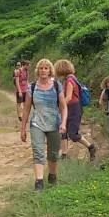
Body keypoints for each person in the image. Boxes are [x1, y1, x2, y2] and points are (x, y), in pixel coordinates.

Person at [19, 59, 66, 190]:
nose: (43, 70)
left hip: (54, 123)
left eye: (46, 68)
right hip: (37, 124)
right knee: (38, 151)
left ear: (50, 70)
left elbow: (63, 107)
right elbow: (27, 109)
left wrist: (63, 122)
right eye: (41, 68)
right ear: (37, 71)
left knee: (53, 153)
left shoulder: (57, 86)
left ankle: (52, 175)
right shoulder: (32, 87)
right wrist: (22, 129)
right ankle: (39, 182)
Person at [53, 59, 96, 161]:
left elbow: (68, 97)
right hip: (70, 108)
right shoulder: (69, 79)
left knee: (73, 134)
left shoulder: (69, 80)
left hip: (74, 108)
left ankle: (91, 147)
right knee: (63, 130)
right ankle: (64, 155)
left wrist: (59, 107)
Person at [14, 60, 30, 125]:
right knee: (19, 103)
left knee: (25, 104)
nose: (29, 67)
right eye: (28, 65)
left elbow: (27, 81)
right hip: (20, 90)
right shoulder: (18, 71)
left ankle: (24, 116)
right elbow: (17, 82)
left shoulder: (26, 72)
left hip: (25, 90)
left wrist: (28, 88)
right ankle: (19, 116)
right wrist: (19, 91)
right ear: (25, 65)